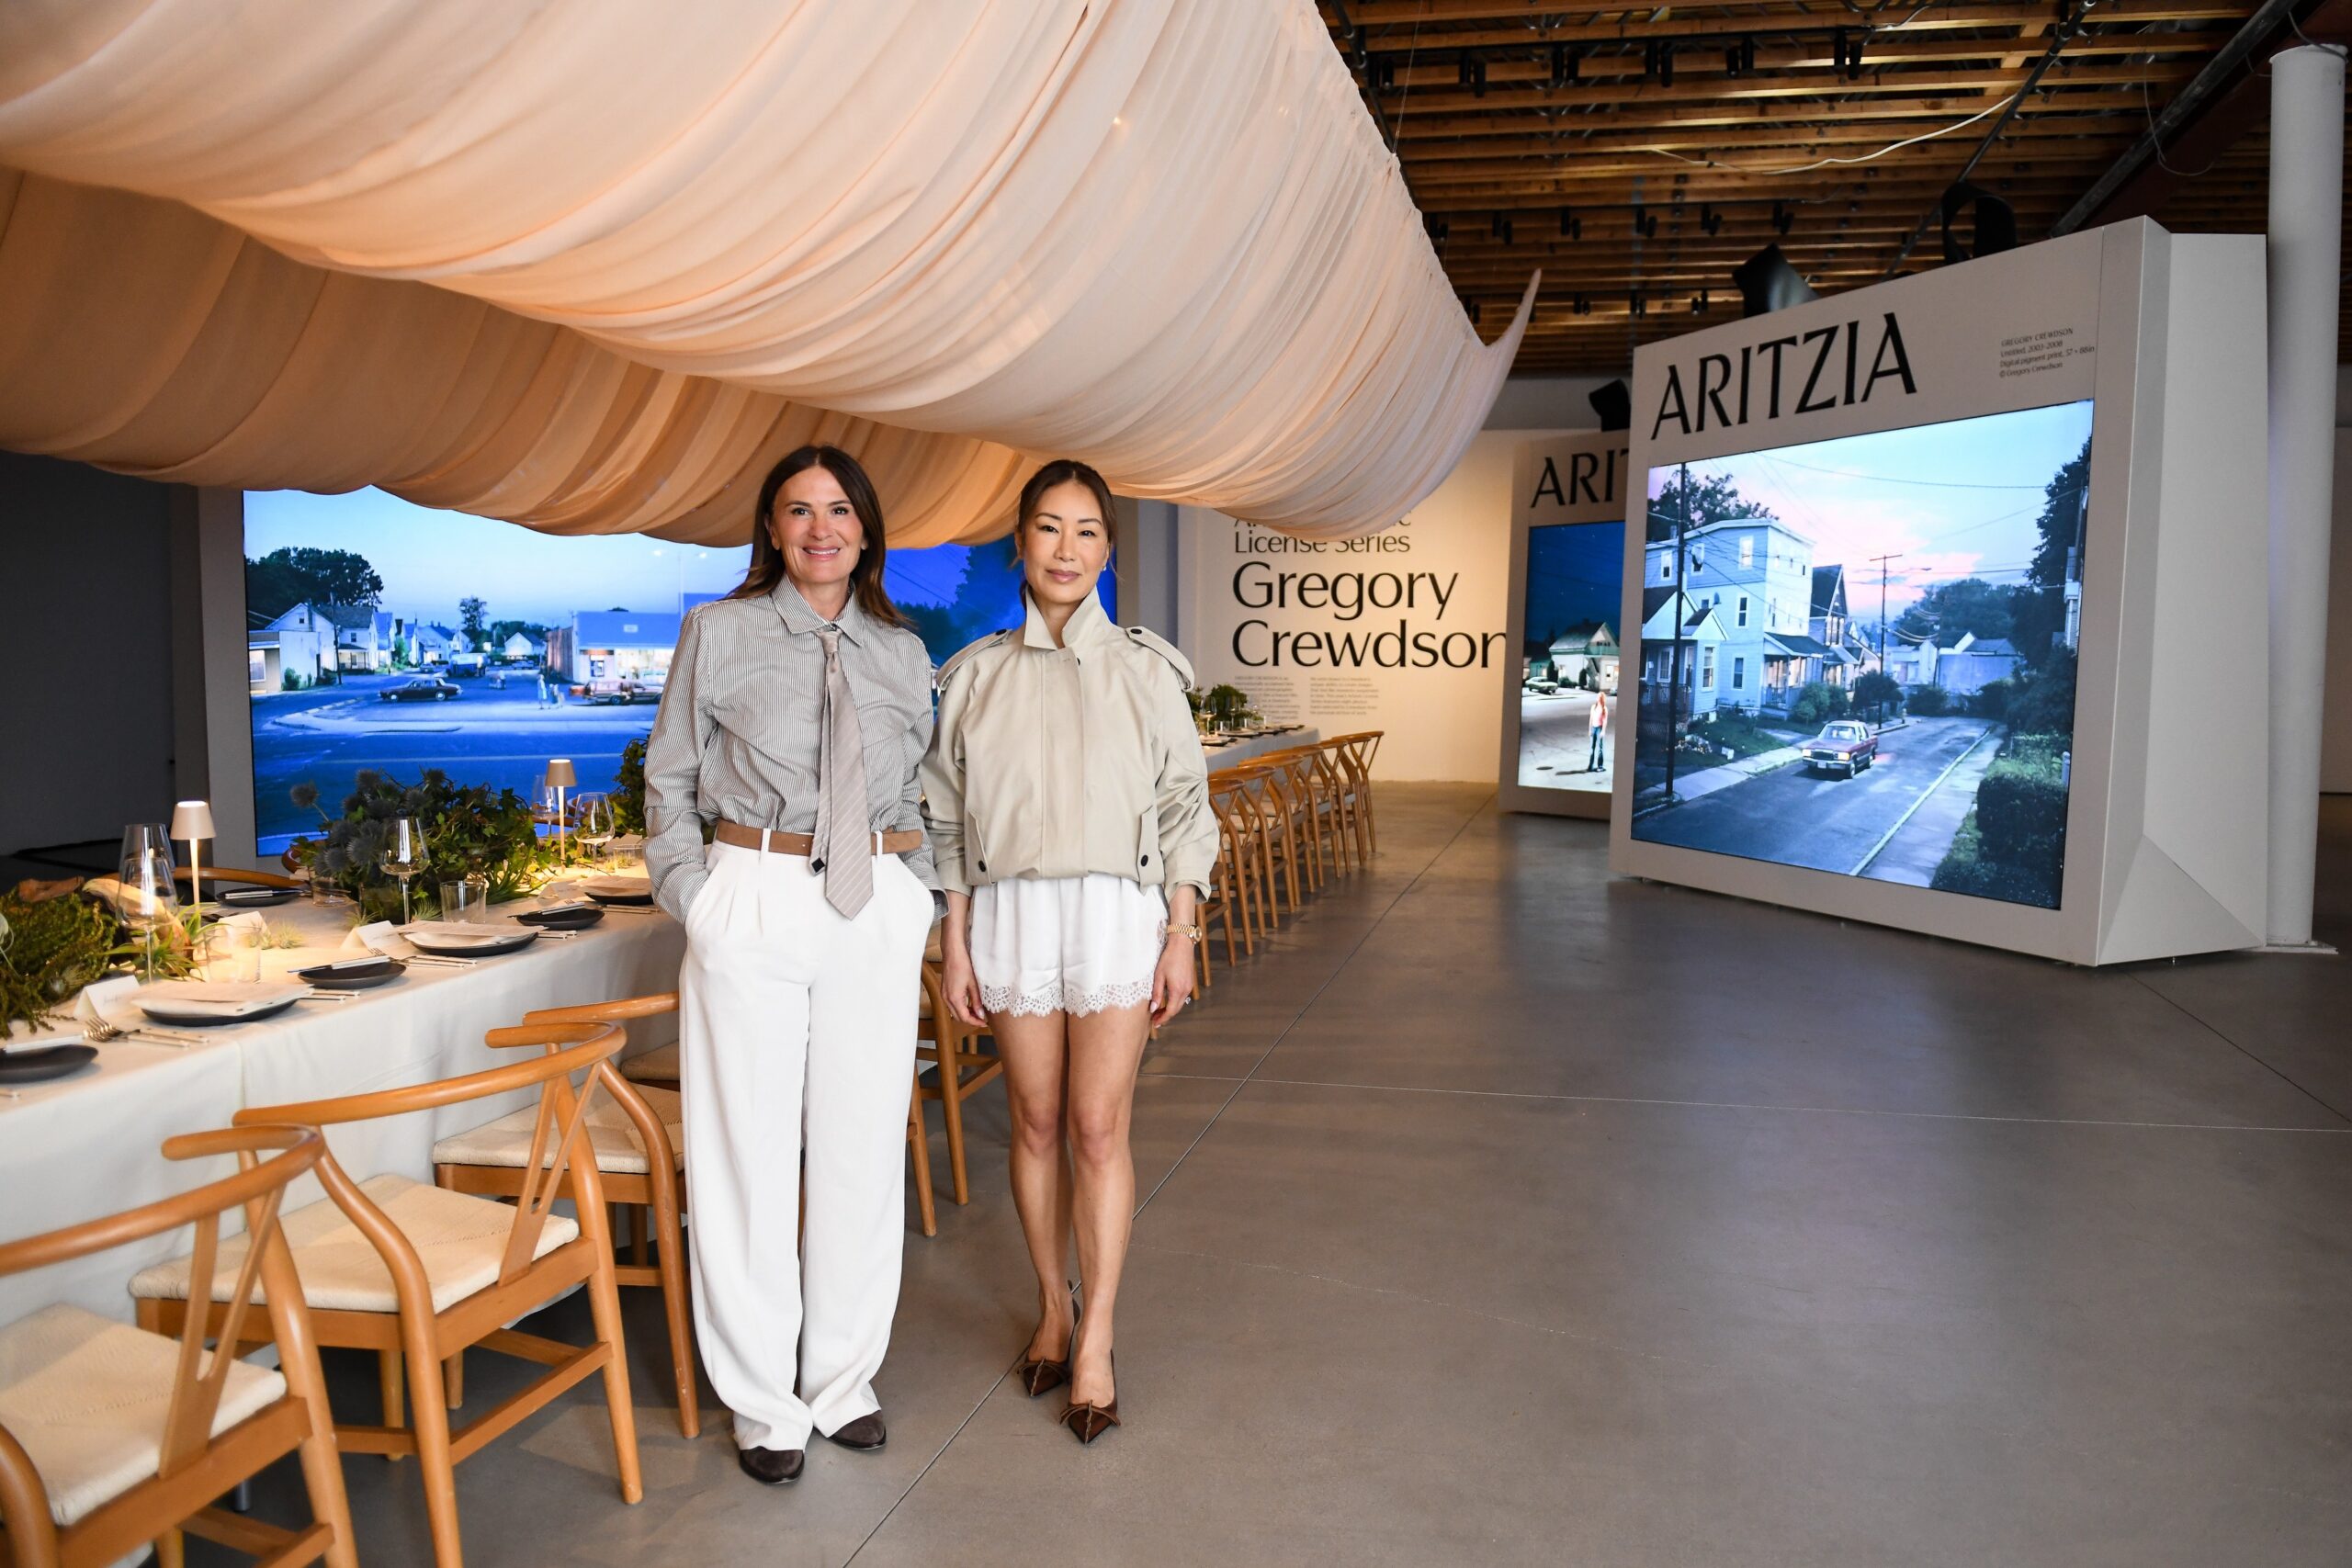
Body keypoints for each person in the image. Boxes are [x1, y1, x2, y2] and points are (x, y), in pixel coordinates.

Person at [640, 445, 940, 1487]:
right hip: (754, 895)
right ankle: (763, 1401)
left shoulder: (903, 653)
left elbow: (915, 793)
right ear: (770, 529)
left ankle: (842, 1382)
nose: (821, 529)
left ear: (867, 530)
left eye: (839, 510)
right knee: (746, 1156)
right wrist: (700, 899)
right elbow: (667, 776)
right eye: (798, 511)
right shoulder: (716, 632)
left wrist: (919, 899)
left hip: (872, 902)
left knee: (861, 1150)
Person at [922, 458, 1218, 1446]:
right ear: (1021, 542)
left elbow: (1185, 808)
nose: (1066, 549)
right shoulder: (973, 678)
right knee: (1036, 1125)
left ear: (1108, 549)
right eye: (1048, 529)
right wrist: (955, 940)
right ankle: (1052, 1304)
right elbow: (948, 822)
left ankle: (1096, 1338)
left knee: (1098, 1128)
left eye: (1087, 531)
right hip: (1008, 916)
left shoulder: (1146, 668)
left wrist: (1182, 932)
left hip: (1113, 914)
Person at [1588, 686, 1610, 773]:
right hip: (1593, 728)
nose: (1597, 698)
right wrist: (1589, 730)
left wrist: (1603, 731)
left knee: (1600, 748)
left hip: (1599, 729)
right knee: (1592, 748)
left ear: (1601, 699)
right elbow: (1591, 718)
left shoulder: (1604, 709)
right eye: (1597, 697)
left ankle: (1600, 766)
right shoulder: (1593, 707)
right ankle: (1590, 766)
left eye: (1598, 697)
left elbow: (1605, 721)